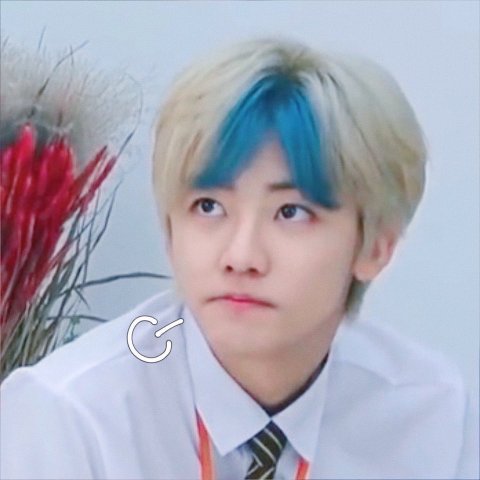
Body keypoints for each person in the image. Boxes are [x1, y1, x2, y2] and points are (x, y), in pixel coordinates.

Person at [1, 36, 478, 480]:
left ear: (376, 246)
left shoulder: (432, 412)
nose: (241, 256)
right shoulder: (72, 414)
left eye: (291, 212)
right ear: (171, 231)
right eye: (209, 207)